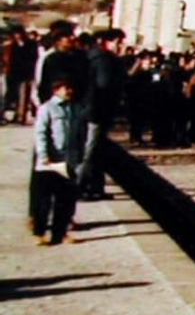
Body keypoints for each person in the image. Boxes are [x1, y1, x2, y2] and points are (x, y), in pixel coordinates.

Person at [32, 76, 81, 245]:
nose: (69, 91)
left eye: (70, 88)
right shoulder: (47, 108)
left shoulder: (74, 108)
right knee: (44, 200)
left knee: (65, 201)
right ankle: (40, 232)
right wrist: (43, 153)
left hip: (67, 161)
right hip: (49, 161)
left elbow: (79, 134)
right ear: (56, 90)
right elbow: (41, 133)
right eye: (66, 88)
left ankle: (60, 232)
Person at [78, 28, 125, 200]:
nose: (120, 45)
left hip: (90, 110)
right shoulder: (105, 60)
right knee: (90, 152)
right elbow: (104, 85)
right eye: (117, 42)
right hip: (97, 112)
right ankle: (79, 187)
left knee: (97, 151)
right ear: (106, 41)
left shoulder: (91, 56)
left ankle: (96, 187)